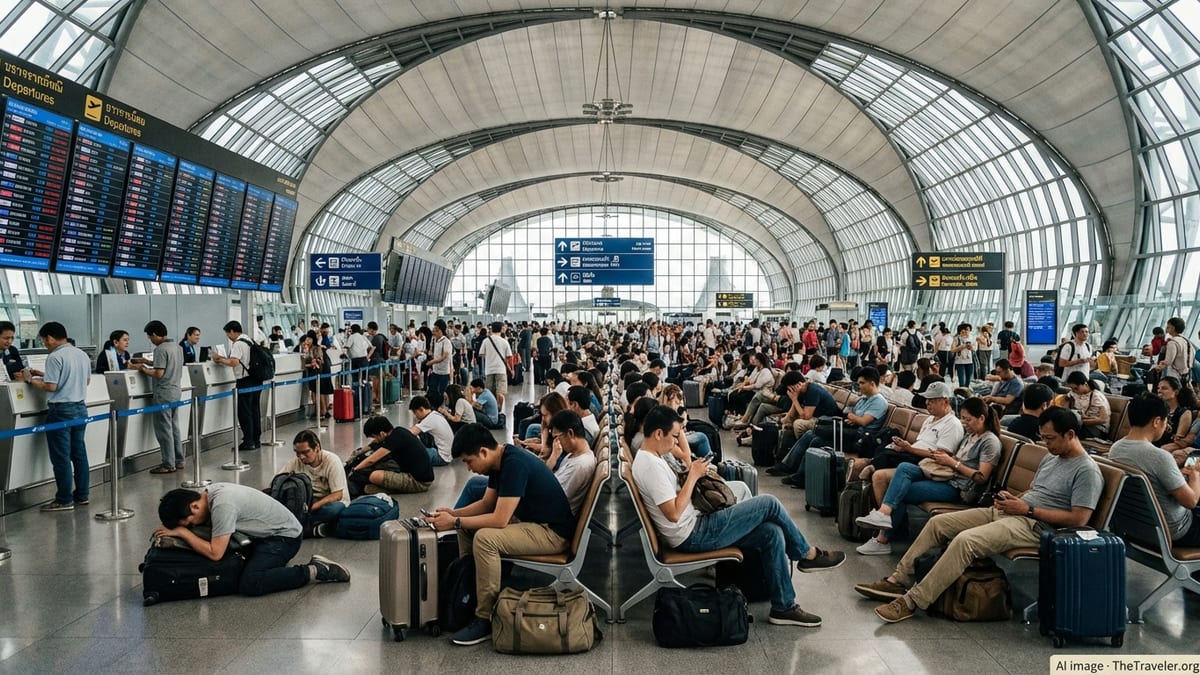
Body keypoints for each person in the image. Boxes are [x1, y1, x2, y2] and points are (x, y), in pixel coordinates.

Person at [855, 407, 1102, 623]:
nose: (1046, 444)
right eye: (1044, 438)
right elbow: (1037, 491)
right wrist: (1016, 500)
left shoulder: (1087, 471)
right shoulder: (1052, 458)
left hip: (1037, 528)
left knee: (966, 542)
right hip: (1013, 511)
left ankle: (912, 601)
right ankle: (899, 579)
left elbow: (1079, 520)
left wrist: (1027, 509)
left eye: (1051, 439)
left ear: (1070, 434)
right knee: (938, 523)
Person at [632, 405, 845, 627]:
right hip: (693, 534)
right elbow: (674, 514)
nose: (677, 441)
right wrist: (694, 475)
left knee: (771, 532)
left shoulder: (652, 457)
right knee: (769, 503)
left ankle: (784, 606)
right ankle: (807, 555)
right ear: (658, 434)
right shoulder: (651, 466)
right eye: (675, 436)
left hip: (695, 526)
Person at [424, 423, 577, 646]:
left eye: (468, 461)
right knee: (467, 527)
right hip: (535, 524)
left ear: (483, 452)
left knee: (485, 539)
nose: (468, 468)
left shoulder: (514, 464)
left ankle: (484, 618)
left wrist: (454, 520)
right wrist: (453, 514)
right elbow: (487, 504)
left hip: (552, 533)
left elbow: (499, 519)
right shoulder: (500, 460)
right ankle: (469, 589)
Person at [855, 397, 999, 555]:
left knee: (900, 491)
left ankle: (882, 539)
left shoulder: (989, 442)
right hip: (946, 475)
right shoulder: (970, 436)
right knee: (904, 468)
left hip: (958, 487)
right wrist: (946, 460)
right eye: (963, 418)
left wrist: (953, 463)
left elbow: (981, 477)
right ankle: (883, 514)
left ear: (982, 418)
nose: (964, 423)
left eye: (968, 419)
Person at [155, 483, 350, 596]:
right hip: (263, 535)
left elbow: (215, 553)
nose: (192, 526)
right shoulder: (210, 492)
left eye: (188, 522)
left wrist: (184, 534)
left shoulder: (223, 505)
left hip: (284, 537)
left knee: (251, 583)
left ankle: (315, 570)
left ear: (194, 507)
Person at [1108, 393, 1200, 546]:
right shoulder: (1160, 457)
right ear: (1157, 421)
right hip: (1172, 531)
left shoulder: (1116, 449)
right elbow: (1190, 501)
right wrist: (1195, 475)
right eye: (1166, 421)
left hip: (1133, 527)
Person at [25, 322, 92, 511]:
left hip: (61, 411)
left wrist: (31, 380)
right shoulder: (81, 354)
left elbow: (51, 387)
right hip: (80, 409)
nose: (45, 344)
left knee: (61, 457)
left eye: (44, 341)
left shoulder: (55, 356)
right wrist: (45, 375)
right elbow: (85, 381)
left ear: (50, 338)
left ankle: (64, 499)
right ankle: (82, 495)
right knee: (79, 454)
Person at [276, 430, 350, 537]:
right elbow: (278, 480)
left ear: (317, 448)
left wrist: (312, 507)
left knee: (334, 509)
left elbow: (337, 495)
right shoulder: (296, 462)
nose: (301, 457)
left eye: (305, 452)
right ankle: (311, 528)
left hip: (328, 503)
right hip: (307, 505)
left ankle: (299, 528)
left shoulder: (332, 461)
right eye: (297, 453)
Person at [134, 321, 185, 474]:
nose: (150, 340)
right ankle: (178, 459)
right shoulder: (177, 347)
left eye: (150, 337)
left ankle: (168, 464)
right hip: (176, 391)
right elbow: (167, 365)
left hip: (164, 394)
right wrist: (146, 361)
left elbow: (158, 374)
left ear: (155, 335)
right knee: (174, 428)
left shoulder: (160, 349)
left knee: (164, 430)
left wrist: (142, 369)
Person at [348, 416, 435, 495]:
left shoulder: (393, 439)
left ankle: (372, 489)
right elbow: (374, 444)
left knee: (374, 476)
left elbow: (371, 460)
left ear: (382, 433)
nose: (375, 440)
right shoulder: (398, 432)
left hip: (419, 482)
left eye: (374, 437)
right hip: (420, 475)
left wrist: (355, 469)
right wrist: (361, 451)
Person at [211, 321, 261, 451]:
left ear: (232, 331)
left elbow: (234, 362)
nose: (228, 336)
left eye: (228, 333)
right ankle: (256, 439)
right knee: (254, 410)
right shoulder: (249, 340)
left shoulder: (238, 344)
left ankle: (248, 441)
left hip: (245, 381)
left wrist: (219, 359)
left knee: (245, 412)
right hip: (256, 379)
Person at [1059, 370, 1110, 440]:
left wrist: (1081, 422)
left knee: (1068, 434)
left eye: (1076, 388)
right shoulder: (1073, 394)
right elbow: (1064, 410)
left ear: (1085, 384)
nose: (1074, 391)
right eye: (1071, 388)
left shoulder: (1097, 396)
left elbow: (1103, 419)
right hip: (1079, 424)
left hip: (1096, 428)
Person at [409, 395, 453, 467]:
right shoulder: (434, 414)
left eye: (415, 412)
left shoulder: (429, 420)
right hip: (447, 454)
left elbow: (409, 433)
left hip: (442, 457)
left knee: (408, 454)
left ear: (421, 409)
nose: (415, 415)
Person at [478, 321, 512, 410]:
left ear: (491, 329)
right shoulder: (504, 342)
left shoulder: (486, 340)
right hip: (501, 370)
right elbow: (509, 356)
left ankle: (493, 409)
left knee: (489, 392)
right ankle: (500, 409)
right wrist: (511, 369)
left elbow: (481, 354)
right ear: (501, 329)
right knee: (500, 392)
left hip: (489, 370)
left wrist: (490, 356)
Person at [426, 319, 454, 404]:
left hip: (444, 372)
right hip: (435, 371)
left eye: (435, 330)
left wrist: (432, 362)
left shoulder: (446, 342)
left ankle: (443, 408)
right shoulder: (434, 340)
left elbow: (444, 356)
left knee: (443, 392)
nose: (434, 332)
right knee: (432, 390)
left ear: (440, 330)